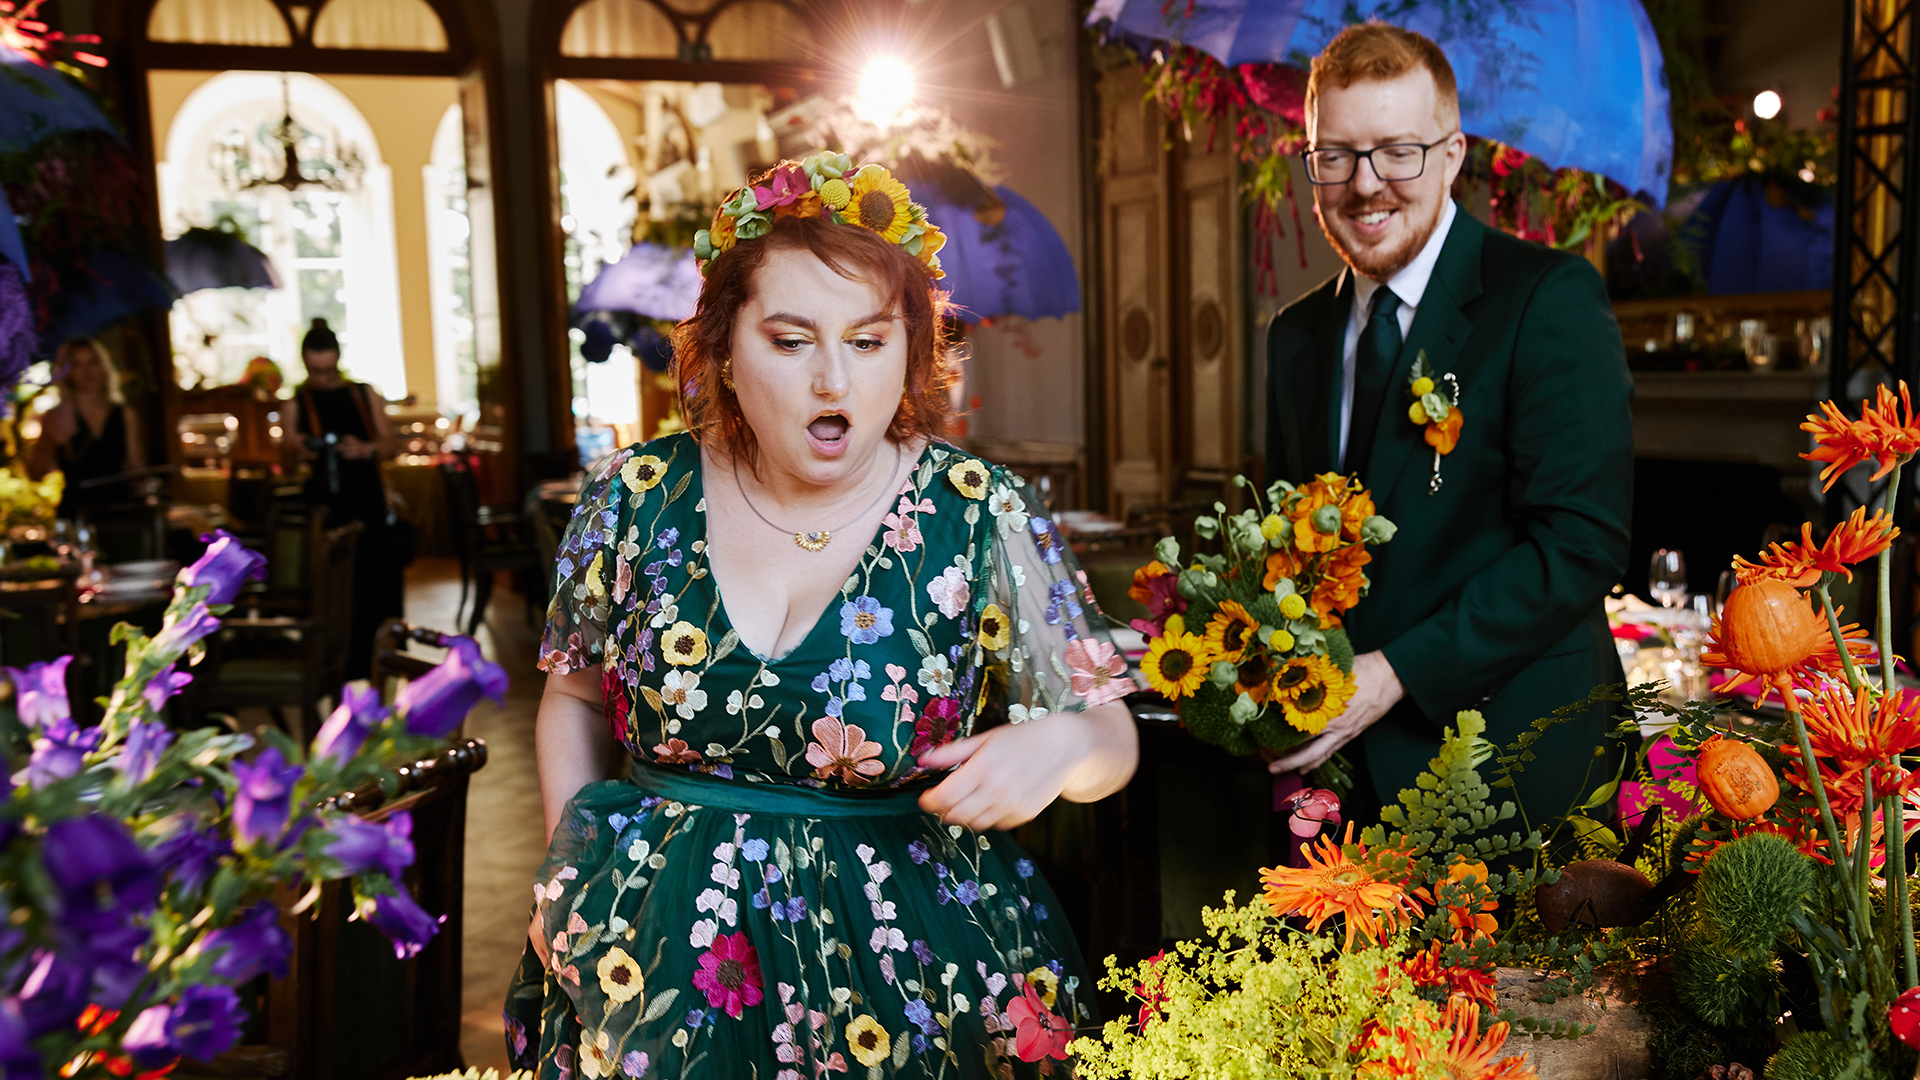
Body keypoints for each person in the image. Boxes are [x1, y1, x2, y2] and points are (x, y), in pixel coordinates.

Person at [506, 157, 1139, 1076]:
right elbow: (572, 698)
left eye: (869, 342)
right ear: (726, 349)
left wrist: (1064, 745)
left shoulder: (979, 511)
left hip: (913, 963)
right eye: (792, 340)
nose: (834, 380)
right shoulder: (634, 497)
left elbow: (1112, 738)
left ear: (911, 352)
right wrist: (575, 879)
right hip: (651, 945)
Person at [1262, 23, 1632, 826]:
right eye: (1337, 156)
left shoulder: (1548, 297)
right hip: (1342, 779)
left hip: (1518, 769)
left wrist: (1394, 673)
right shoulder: (1295, 335)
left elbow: (1581, 543)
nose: (1366, 185)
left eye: (1398, 152)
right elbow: (1288, 543)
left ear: (1452, 155)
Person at [287, 317, 404, 679]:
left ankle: (383, 661)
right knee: (336, 591)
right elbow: (286, 456)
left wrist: (364, 449)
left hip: (367, 500)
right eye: (315, 372)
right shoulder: (297, 401)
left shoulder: (363, 394)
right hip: (327, 506)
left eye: (327, 370)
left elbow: (391, 445)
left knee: (377, 586)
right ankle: (336, 666)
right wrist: (300, 447)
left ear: (337, 359)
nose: (322, 379)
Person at [27, 337, 145, 519]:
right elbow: (35, 474)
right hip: (77, 511)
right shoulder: (57, 416)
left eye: (93, 362)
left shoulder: (124, 414)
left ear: (104, 366)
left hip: (119, 511)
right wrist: (49, 441)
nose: (87, 371)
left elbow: (135, 466)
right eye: (77, 365)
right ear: (67, 373)